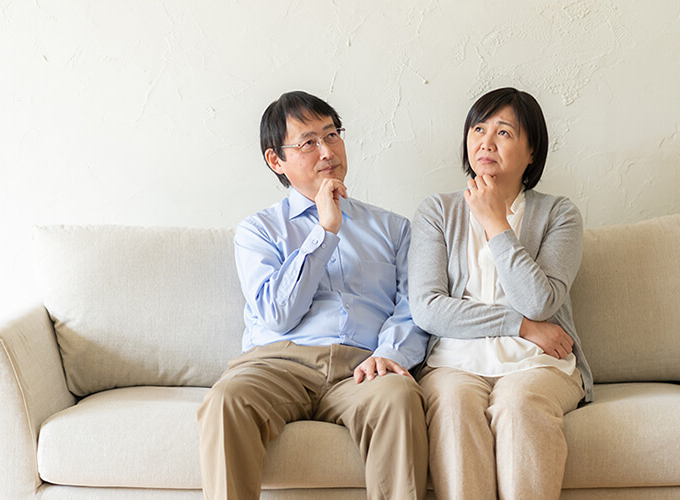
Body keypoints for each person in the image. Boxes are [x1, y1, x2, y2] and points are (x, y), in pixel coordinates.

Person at [197, 90, 429, 500]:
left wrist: (389, 353)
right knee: (227, 399)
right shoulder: (258, 231)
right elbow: (277, 314)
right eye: (308, 142)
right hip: (277, 364)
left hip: (363, 366)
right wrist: (324, 232)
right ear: (276, 161)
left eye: (332, 134)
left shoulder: (393, 228)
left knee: (398, 396)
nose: (327, 151)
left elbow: (413, 307)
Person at [408, 87, 593, 500]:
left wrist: (496, 224)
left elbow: (541, 302)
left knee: (519, 403)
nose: (486, 142)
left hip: (539, 362)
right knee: (453, 406)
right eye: (478, 129)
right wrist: (520, 325)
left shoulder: (559, 214)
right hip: (453, 361)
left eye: (504, 132)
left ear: (532, 152)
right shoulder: (437, 211)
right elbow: (428, 309)